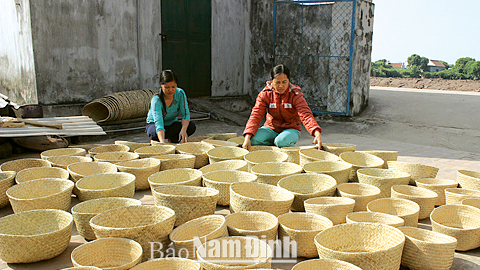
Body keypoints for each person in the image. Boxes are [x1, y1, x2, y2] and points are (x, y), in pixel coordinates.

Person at [242, 64, 322, 150]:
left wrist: (316, 132)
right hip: (270, 129)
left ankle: (283, 148)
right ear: (272, 81)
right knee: (253, 140)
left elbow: (306, 115)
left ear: (289, 81)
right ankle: (274, 147)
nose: (281, 86)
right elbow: (256, 115)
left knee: (281, 141)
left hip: (291, 129)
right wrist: (247, 136)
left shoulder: (295, 95)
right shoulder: (265, 94)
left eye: (284, 82)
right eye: (277, 82)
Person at [146, 70, 196, 143]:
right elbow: (158, 123)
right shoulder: (156, 100)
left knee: (191, 126)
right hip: (155, 126)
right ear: (161, 85)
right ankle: (156, 143)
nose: (170, 90)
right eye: (167, 87)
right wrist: (163, 143)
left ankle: (173, 140)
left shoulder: (180, 93)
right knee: (153, 132)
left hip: (171, 124)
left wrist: (183, 130)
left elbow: (185, 114)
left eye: (173, 87)